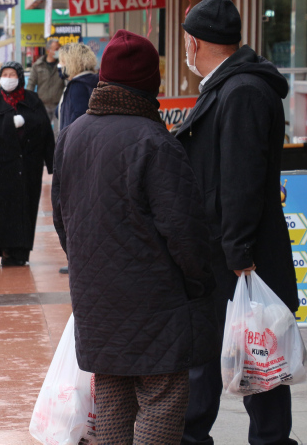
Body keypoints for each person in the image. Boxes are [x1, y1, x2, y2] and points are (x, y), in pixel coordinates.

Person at [52, 30, 219, 444]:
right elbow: (186, 233)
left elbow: (61, 218)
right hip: (156, 304)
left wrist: (87, 266)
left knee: (111, 400)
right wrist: (200, 284)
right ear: (151, 84)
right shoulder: (155, 141)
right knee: (161, 401)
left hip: (96, 301)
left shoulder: (72, 135)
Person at [175, 0, 299, 445]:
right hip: (224, 252)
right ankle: (196, 435)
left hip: (241, 258)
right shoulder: (226, 85)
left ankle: (268, 440)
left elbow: (241, 182)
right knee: (220, 355)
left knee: (258, 359)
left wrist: (239, 254)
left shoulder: (242, 90)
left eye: (186, 42)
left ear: (194, 42)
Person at [0, 61, 54, 269]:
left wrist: (51, 163)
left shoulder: (32, 101)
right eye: (4, 74)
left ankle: (14, 253)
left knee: (21, 211)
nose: (8, 78)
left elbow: (45, 132)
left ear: (20, 77)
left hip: (26, 168)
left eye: (12, 74)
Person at [57, 43, 98, 132]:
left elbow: (78, 120)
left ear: (72, 63)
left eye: (62, 62)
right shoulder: (93, 80)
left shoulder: (77, 86)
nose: (59, 65)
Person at [27, 39, 64, 126]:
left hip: (58, 105)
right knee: (42, 131)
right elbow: (31, 84)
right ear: (48, 50)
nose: (58, 51)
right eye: (56, 49)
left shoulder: (62, 66)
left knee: (58, 133)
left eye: (59, 49)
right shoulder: (38, 65)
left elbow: (67, 83)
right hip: (43, 105)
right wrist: (29, 102)